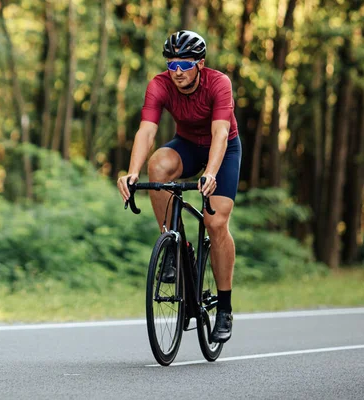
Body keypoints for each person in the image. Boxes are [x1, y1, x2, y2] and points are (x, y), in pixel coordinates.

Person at [116, 30, 241, 343]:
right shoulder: (159, 85)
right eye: (172, 66)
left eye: (185, 64)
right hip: (186, 145)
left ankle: (224, 307)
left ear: (200, 64)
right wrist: (131, 173)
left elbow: (221, 134)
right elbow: (146, 131)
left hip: (223, 149)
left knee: (215, 222)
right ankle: (175, 246)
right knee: (157, 165)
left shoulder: (219, 83)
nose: (178, 72)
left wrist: (211, 173)